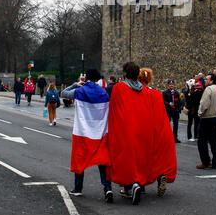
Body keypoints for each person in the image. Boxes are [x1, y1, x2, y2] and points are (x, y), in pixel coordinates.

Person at [107, 61, 175, 205]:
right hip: (143, 130)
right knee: (140, 159)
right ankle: (138, 183)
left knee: (126, 160)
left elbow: (114, 110)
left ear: (125, 73)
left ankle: (130, 187)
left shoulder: (119, 88)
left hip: (126, 130)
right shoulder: (147, 92)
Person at [62, 68, 113, 202]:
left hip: (83, 132)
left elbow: (64, 93)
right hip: (100, 132)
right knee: (103, 161)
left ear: (87, 78)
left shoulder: (80, 91)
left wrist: (76, 84)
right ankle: (107, 188)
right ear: (98, 79)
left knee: (79, 159)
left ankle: (78, 188)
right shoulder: (104, 93)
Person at [136, 67, 177, 198]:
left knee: (141, 158)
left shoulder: (137, 92)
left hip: (143, 130)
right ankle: (161, 177)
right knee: (158, 158)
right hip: (158, 130)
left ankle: (140, 184)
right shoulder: (156, 93)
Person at [196, 74, 216, 170]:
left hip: (207, 118)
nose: (205, 80)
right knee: (214, 141)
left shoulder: (209, 90)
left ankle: (206, 161)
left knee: (202, 141)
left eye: (207, 79)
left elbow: (204, 104)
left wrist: (200, 113)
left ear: (211, 81)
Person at [185, 76, 204, 141]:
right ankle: (189, 136)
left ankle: (196, 136)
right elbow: (188, 100)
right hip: (190, 109)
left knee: (197, 122)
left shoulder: (197, 91)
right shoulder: (188, 92)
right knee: (190, 123)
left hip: (196, 109)